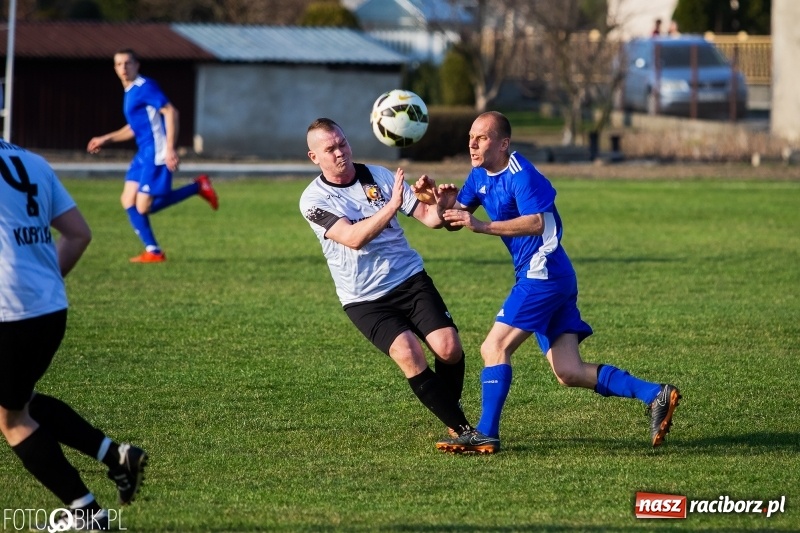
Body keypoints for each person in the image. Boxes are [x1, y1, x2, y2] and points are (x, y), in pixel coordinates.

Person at [415, 111, 681, 454]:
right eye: (471, 137)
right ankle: (654, 394)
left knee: (493, 348)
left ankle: (486, 433)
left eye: (481, 138)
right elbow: (452, 220)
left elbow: (536, 223)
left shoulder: (522, 174)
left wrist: (480, 225)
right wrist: (437, 203)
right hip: (550, 276)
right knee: (568, 371)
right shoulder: (478, 174)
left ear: (503, 143)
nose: (472, 143)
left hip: (543, 273)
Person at [300, 117, 486, 449]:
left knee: (449, 348)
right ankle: (463, 429)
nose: (340, 152)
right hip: (364, 299)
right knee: (409, 352)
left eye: (342, 143)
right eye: (330, 149)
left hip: (409, 279)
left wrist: (440, 205)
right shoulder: (314, 200)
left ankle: (453, 423)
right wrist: (391, 207)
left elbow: (430, 220)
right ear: (315, 157)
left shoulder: (379, 176)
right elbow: (353, 238)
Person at [0, 140, 148, 530]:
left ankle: (87, 513)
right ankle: (115, 456)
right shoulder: (32, 161)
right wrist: (43, 288)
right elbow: (78, 234)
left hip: (8, 311)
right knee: (19, 401)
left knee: (13, 419)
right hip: (49, 307)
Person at [87, 48, 218, 264]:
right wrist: (106, 139)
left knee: (144, 206)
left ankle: (197, 186)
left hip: (156, 151)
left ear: (137, 65)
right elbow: (134, 127)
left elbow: (170, 111)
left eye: (128, 63)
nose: (123, 68)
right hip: (143, 152)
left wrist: (170, 149)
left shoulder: (144, 86)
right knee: (127, 199)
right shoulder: (130, 91)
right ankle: (154, 251)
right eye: (119, 64)